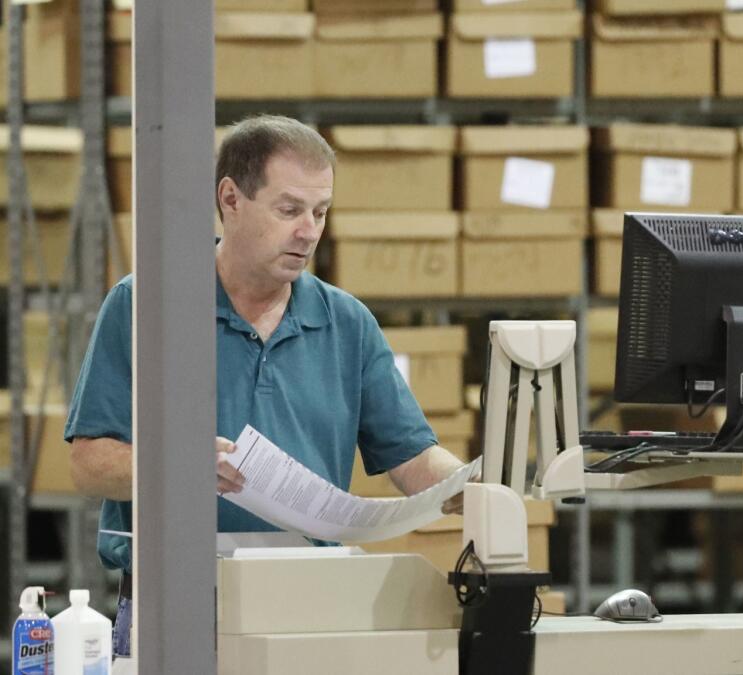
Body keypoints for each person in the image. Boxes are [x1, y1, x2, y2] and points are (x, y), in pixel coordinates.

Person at [64, 115, 466, 657]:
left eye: (320, 212)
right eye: (289, 209)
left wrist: (474, 487)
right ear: (230, 198)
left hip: (314, 604)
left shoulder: (346, 323)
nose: (310, 231)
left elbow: (414, 457)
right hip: (178, 604)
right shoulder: (146, 305)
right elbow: (88, 465)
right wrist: (178, 468)